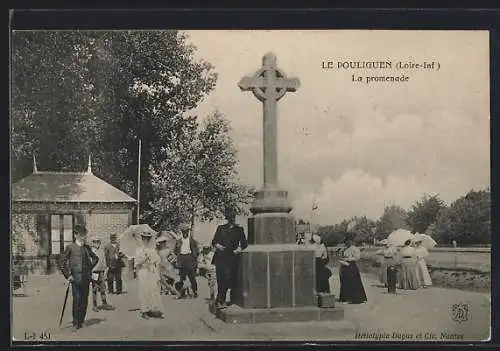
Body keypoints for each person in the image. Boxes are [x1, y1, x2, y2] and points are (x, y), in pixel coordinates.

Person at [59, 224, 99, 331]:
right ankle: (75, 323)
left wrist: (89, 268)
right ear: (75, 235)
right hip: (75, 278)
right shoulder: (70, 247)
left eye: (84, 235)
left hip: (86, 278)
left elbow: (95, 258)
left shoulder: (86, 248)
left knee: (84, 300)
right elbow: (62, 262)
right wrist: (68, 275)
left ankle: (81, 321)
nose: (83, 237)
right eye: (81, 235)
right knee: (77, 300)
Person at [211, 208, 248, 308]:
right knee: (221, 279)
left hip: (232, 257)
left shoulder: (239, 230)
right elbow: (214, 241)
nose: (232, 219)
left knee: (231, 279)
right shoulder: (221, 228)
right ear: (227, 218)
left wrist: (238, 249)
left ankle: (232, 300)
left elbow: (244, 244)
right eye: (230, 217)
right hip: (221, 257)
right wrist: (218, 246)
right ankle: (220, 300)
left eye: (233, 217)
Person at [134, 231, 164, 319]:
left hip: (151, 271)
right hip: (143, 271)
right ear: (142, 239)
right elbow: (137, 264)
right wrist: (144, 259)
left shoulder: (152, 250)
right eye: (144, 238)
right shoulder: (138, 250)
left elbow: (157, 261)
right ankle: (144, 311)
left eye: (148, 238)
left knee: (152, 290)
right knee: (144, 291)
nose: (146, 240)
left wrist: (153, 261)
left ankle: (152, 309)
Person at [173, 223, 200, 299]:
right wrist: (179, 257)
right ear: (181, 232)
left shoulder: (192, 241)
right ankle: (182, 292)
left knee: (192, 277)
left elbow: (197, 251)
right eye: (183, 232)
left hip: (190, 259)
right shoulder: (179, 241)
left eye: (186, 232)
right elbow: (175, 251)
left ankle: (195, 291)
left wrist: (193, 258)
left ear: (188, 232)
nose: (185, 233)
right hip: (182, 259)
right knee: (182, 278)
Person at [338, 238, 367, 304]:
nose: (346, 243)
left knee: (352, 281)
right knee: (345, 281)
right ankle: (345, 297)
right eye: (345, 242)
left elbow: (357, 257)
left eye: (348, 242)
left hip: (351, 266)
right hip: (345, 265)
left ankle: (353, 298)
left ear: (351, 242)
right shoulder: (345, 249)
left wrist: (348, 259)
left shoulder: (355, 249)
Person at [90, 237, 113, 312]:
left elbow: (104, 261)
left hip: (101, 272)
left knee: (103, 288)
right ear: (93, 243)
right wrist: (91, 272)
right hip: (94, 272)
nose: (96, 243)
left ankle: (104, 303)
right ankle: (95, 305)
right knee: (94, 289)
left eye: (98, 242)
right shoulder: (91, 252)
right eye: (95, 242)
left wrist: (105, 271)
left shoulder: (101, 251)